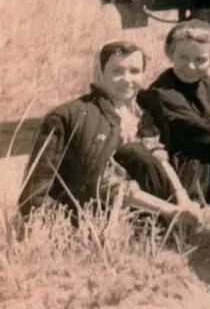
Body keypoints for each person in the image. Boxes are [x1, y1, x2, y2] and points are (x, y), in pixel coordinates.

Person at [18, 41, 199, 227]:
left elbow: (159, 158)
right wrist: (170, 211)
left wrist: (182, 198)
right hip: (96, 217)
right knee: (132, 151)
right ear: (101, 73)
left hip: (153, 213)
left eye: (135, 71)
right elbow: (99, 181)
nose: (127, 79)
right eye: (117, 71)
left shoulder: (144, 111)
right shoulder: (72, 116)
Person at [138, 20, 210, 204]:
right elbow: (199, 132)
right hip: (182, 170)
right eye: (183, 57)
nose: (191, 66)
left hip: (208, 160)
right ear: (170, 55)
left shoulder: (209, 84)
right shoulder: (162, 93)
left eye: (200, 59)